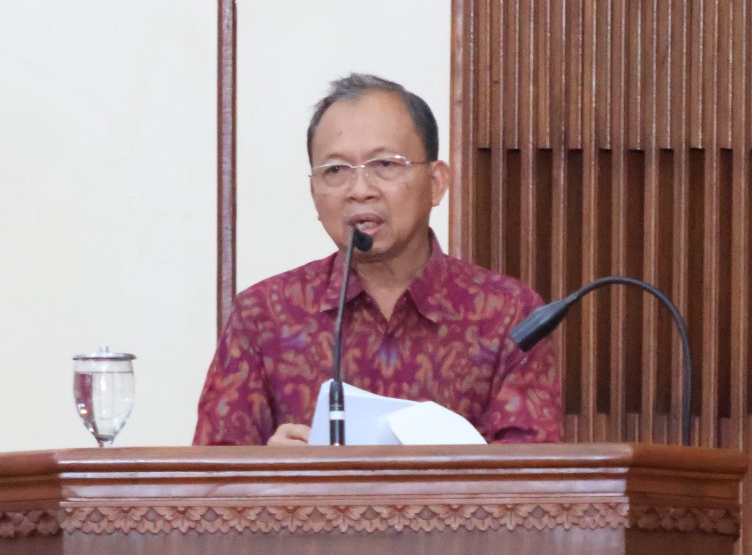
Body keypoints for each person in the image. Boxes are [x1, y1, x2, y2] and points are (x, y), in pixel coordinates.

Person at [193, 73, 562, 446]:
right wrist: (268, 476)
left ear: (436, 182)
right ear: (313, 192)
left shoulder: (509, 315)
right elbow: (209, 486)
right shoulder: (264, 315)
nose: (360, 190)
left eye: (385, 164)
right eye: (335, 170)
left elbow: (537, 485)